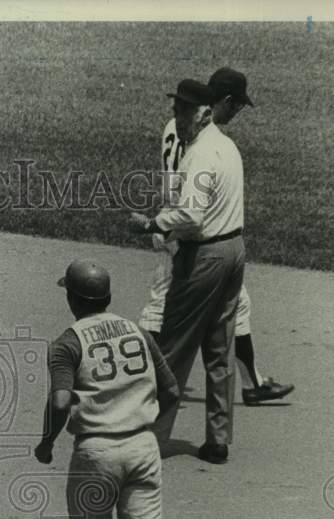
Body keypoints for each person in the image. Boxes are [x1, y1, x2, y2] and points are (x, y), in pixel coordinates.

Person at [34, 259, 203, 519]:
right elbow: (173, 388)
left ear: (73, 299)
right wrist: (144, 426)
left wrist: (48, 441)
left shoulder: (66, 344)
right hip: (144, 448)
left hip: (97, 455)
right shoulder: (138, 331)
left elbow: (59, 402)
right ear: (107, 298)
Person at [138, 68, 294, 409]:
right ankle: (131, 380)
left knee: (238, 304)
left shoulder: (181, 124)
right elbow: (193, 196)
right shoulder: (200, 137)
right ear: (222, 102)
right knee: (156, 312)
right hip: (181, 230)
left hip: (181, 224)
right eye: (235, 106)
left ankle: (254, 383)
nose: (236, 113)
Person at [129, 77, 249, 465]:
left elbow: (192, 215)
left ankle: (151, 439)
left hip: (205, 257)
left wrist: (152, 224)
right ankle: (217, 441)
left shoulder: (199, 153)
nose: (176, 117)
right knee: (219, 349)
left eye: (183, 111)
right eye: (174, 109)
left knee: (173, 350)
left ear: (203, 114)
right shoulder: (227, 146)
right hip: (234, 251)